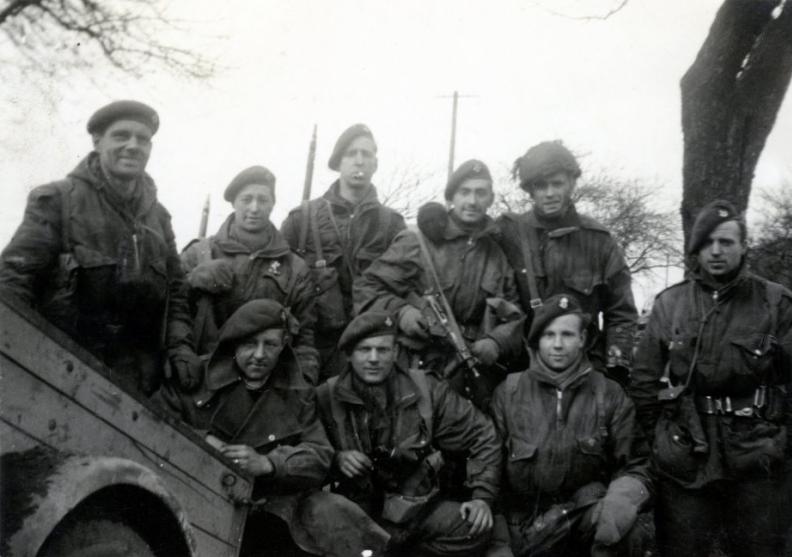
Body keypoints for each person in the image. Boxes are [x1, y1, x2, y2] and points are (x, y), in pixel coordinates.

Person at [630, 200, 792, 557]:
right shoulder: (670, 305)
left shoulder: (776, 304)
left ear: (744, 246)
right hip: (687, 455)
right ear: (696, 249)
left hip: (758, 456)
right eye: (707, 243)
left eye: (726, 242)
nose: (717, 251)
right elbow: (644, 383)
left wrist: (790, 448)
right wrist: (661, 441)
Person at [155, 299, 390, 557]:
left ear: (283, 347)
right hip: (193, 495)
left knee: (332, 515)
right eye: (249, 343)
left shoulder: (298, 393)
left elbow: (319, 454)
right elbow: (151, 421)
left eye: (270, 345)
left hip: (268, 510)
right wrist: (205, 442)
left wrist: (269, 464)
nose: (259, 355)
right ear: (233, 344)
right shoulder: (196, 377)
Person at [0, 100, 199, 395]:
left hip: (136, 387)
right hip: (58, 371)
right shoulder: (57, 199)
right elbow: (14, 281)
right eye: (121, 136)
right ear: (96, 141)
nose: (133, 146)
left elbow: (177, 293)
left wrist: (180, 346)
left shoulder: (159, 219)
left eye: (143, 139)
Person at [316, 311, 503, 557]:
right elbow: (307, 452)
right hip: (356, 516)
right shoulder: (324, 397)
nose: (374, 359)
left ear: (396, 353)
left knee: (473, 528)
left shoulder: (427, 389)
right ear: (349, 355)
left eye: (383, 350)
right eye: (364, 350)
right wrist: (337, 459)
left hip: (415, 509)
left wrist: (482, 496)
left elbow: (484, 434)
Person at [353, 160, 524, 408]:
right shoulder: (417, 241)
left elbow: (514, 313)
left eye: (480, 193)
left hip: (468, 369)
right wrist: (402, 313)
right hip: (414, 366)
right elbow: (366, 288)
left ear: (491, 198)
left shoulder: (496, 255)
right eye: (464, 192)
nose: (472, 201)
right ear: (451, 197)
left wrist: (497, 341)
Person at [491, 294, 650, 557]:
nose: (557, 345)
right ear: (536, 341)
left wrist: (615, 511)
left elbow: (636, 464)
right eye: (548, 335)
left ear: (582, 340)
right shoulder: (508, 392)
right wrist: (499, 542)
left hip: (582, 519)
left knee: (628, 535)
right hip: (522, 525)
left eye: (567, 334)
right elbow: (490, 468)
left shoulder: (609, 393)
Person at [495, 141, 637, 385]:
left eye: (557, 183)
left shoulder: (599, 241)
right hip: (524, 373)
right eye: (541, 186)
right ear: (530, 190)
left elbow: (621, 311)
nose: (549, 193)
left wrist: (614, 369)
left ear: (571, 184)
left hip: (585, 373)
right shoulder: (510, 234)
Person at [281, 124, 405, 380]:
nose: (359, 161)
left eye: (366, 154)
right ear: (338, 162)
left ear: (375, 164)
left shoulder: (392, 224)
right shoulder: (302, 219)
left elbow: (405, 284)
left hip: (372, 350)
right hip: (317, 346)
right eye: (351, 153)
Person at [181, 165, 319, 382]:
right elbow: (173, 314)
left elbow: (305, 338)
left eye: (263, 200)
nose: (254, 208)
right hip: (203, 376)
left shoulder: (295, 268)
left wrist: (303, 381)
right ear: (234, 203)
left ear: (273, 204)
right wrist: (191, 281)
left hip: (265, 383)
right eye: (246, 199)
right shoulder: (199, 254)